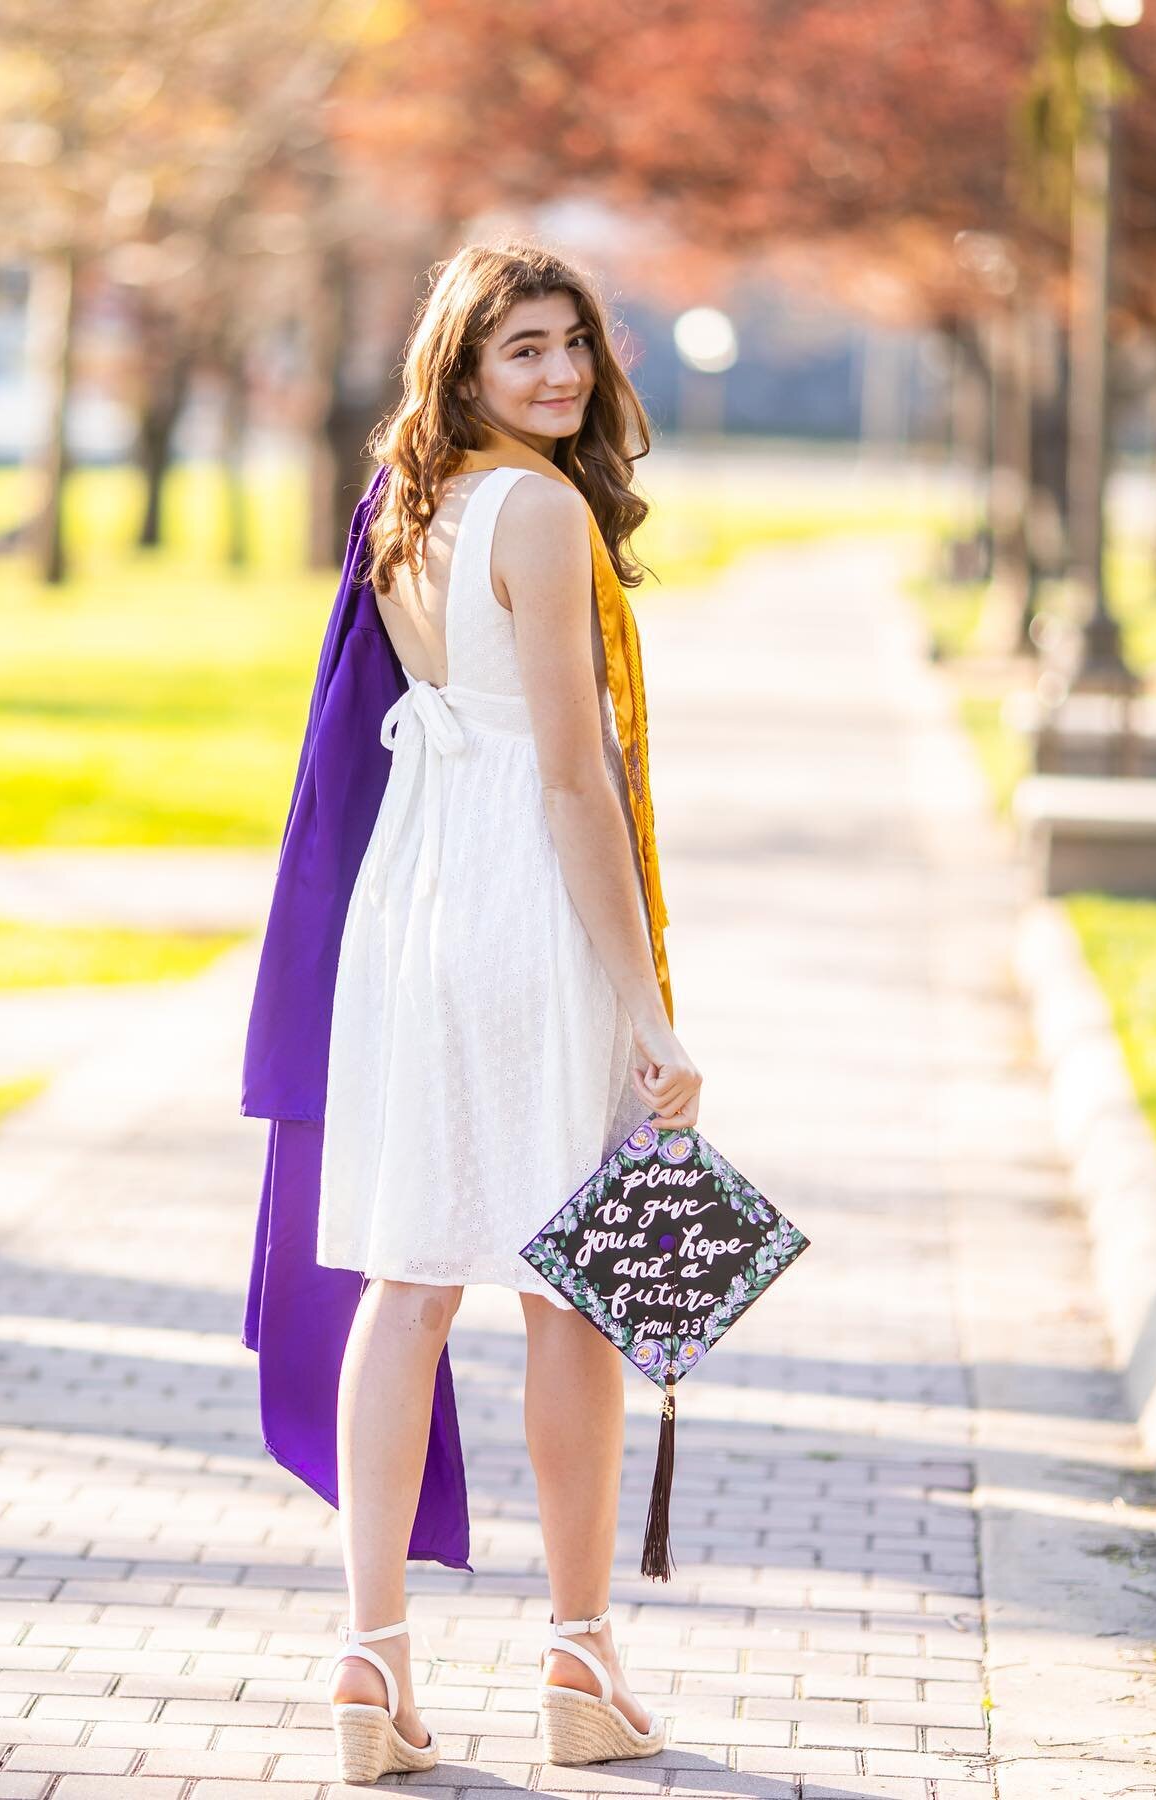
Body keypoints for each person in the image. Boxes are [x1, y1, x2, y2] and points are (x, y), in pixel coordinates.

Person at [247, 239, 702, 1784]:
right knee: (569, 1287)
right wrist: (647, 1005)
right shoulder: (543, 508)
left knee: (410, 1279)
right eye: (524, 350)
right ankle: (580, 1657)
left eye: (574, 343)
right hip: (520, 900)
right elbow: (574, 778)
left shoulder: (407, 503)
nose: (562, 373)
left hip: (413, 902)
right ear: (465, 365)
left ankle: (371, 1669)